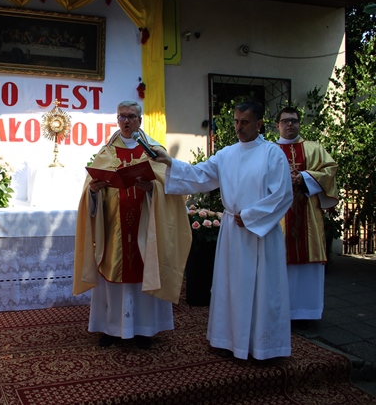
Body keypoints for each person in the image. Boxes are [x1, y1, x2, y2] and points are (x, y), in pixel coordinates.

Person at [155, 100, 294, 360]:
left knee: (263, 289)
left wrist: (251, 216)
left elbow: (282, 194)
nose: (239, 127)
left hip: (260, 233)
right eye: (236, 122)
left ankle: (263, 347)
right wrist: (170, 163)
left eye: (245, 122)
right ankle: (229, 340)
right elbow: (199, 174)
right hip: (233, 232)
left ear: (259, 124)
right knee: (231, 286)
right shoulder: (227, 154)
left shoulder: (272, 154)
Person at [73, 100, 192, 350]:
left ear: (140, 120)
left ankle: (145, 329)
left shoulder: (154, 151)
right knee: (113, 275)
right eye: (121, 116)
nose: (125, 121)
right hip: (112, 229)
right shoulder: (106, 152)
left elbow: (171, 189)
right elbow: (88, 192)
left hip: (145, 228)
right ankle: (111, 327)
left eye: (130, 116)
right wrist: (93, 191)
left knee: (143, 273)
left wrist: (152, 189)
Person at [275, 107, 339, 321]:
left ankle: (308, 313)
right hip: (279, 219)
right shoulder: (269, 151)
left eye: (294, 121)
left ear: (299, 124)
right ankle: (281, 313)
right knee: (278, 263)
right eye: (285, 121)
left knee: (308, 266)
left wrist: (304, 177)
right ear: (277, 125)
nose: (290, 124)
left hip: (309, 217)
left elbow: (329, 170)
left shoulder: (314, 148)